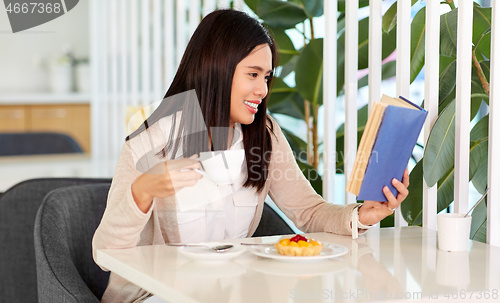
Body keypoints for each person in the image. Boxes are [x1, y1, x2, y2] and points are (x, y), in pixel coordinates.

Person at [92, 9, 410, 303]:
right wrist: (142, 191)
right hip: (156, 296)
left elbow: (309, 212)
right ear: (216, 69)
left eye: (267, 77)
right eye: (253, 74)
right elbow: (105, 250)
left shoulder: (263, 134)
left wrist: (362, 216)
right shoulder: (150, 143)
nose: (263, 90)